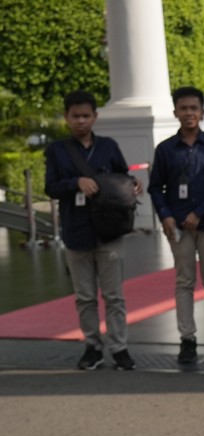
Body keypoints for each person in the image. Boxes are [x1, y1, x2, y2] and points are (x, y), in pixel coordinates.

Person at [44, 90, 143, 371]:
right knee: (85, 296)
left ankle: (119, 347)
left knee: (114, 294)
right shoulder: (57, 150)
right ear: (66, 118)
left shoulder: (109, 146)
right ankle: (92, 345)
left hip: (110, 230)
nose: (81, 121)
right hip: (76, 231)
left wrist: (133, 184)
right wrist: (76, 182)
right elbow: (50, 187)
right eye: (75, 116)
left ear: (95, 117)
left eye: (86, 115)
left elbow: (123, 178)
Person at [148, 86, 204, 364]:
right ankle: (187, 339)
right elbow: (155, 187)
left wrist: (199, 212)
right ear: (175, 112)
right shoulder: (164, 150)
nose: (189, 113)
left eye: (194, 108)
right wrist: (166, 216)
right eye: (183, 108)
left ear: (202, 111)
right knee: (184, 282)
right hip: (178, 227)